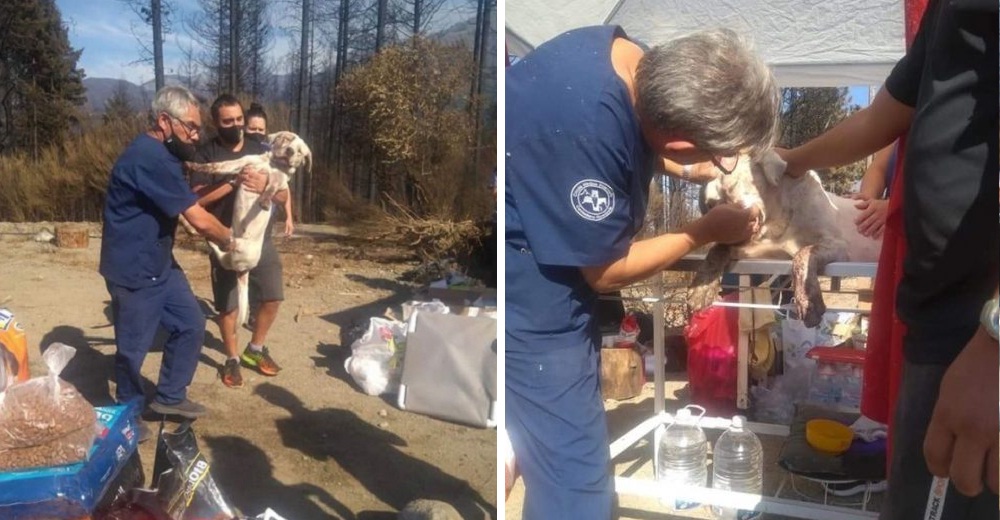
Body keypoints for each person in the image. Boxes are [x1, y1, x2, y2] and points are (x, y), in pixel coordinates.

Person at [506, 27, 779, 519]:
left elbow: (646, 141)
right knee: (577, 485)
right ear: (677, 138)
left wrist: (701, 170)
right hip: (532, 303)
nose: (722, 165)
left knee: (542, 448)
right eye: (717, 155)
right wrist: (705, 230)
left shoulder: (635, 62)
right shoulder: (586, 123)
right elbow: (607, 271)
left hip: (549, 265)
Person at [777, 1, 998, 518]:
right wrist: (789, 160)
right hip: (934, 325)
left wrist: (994, 336)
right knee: (914, 499)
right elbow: (884, 115)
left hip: (980, 334)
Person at [100, 85, 235, 421]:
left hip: (159, 262)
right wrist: (232, 240)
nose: (195, 135)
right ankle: (127, 417)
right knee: (133, 350)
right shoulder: (149, 157)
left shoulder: (165, 156)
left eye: (198, 127)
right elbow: (199, 220)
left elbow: (185, 200)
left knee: (190, 323)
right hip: (133, 267)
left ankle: (171, 396)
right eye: (190, 126)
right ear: (164, 121)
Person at [190, 95, 287, 388]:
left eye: (239, 120)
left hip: (260, 238)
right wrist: (231, 183)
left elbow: (282, 194)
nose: (235, 126)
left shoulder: (261, 149)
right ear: (215, 123)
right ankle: (231, 359)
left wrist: (265, 186)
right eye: (227, 121)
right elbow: (195, 199)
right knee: (228, 306)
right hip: (224, 237)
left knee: (272, 297)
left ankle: (254, 350)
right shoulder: (206, 153)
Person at [245, 103, 295, 236]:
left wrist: (288, 217)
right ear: (244, 128)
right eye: (252, 128)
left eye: (260, 129)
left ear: (266, 131)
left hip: (265, 215)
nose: (257, 133)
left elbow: (284, 185)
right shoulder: (239, 152)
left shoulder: (272, 153)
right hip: (243, 213)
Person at [850, 141, 897, 239]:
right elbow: (878, 168)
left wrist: (895, 207)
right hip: (886, 233)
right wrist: (867, 203)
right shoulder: (898, 130)